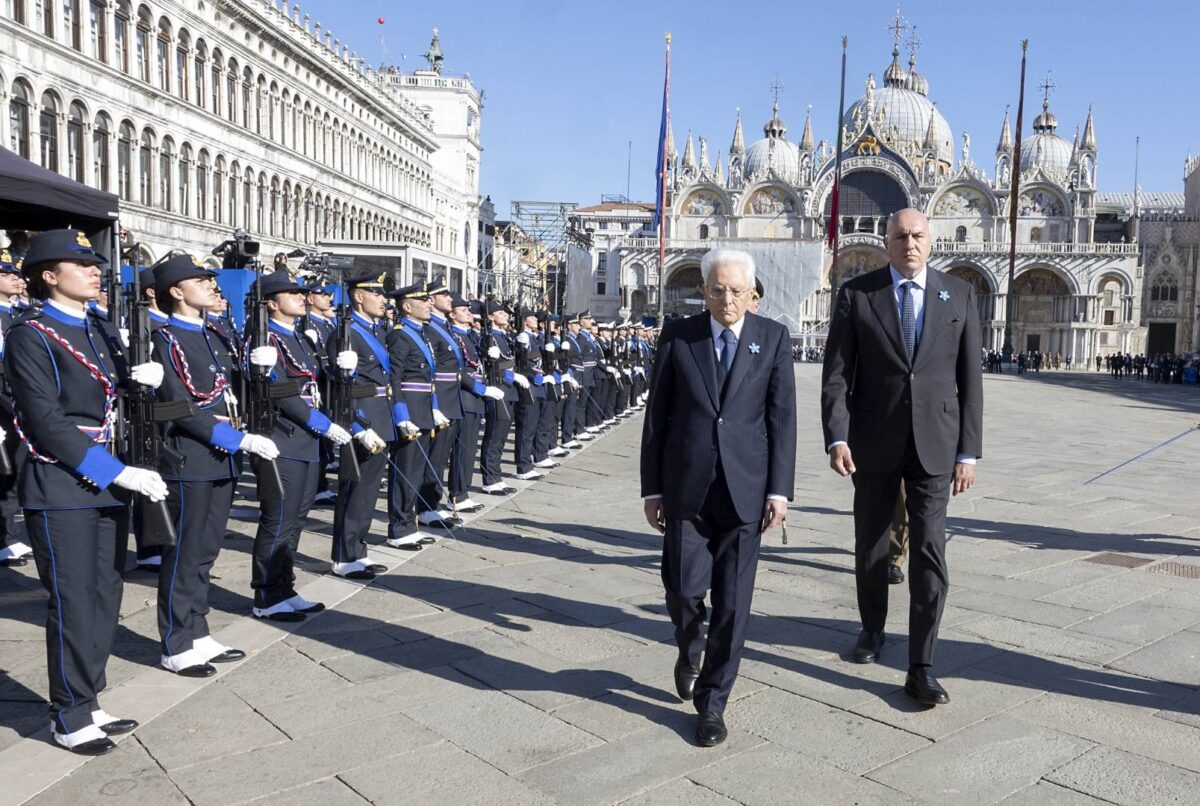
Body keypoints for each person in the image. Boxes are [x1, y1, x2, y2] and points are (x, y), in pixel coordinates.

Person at [7, 229, 167, 754]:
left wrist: (144, 379)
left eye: (94, 263)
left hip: (106, 476)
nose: (95, 270)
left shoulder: (100, 327)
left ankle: (90, 698)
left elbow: (110, 394)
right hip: (61, 481)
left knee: (105, 594)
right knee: (74, 599)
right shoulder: (31, 333)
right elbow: (45, 420)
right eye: (79, 264)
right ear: (48, 276)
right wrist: (115, 472)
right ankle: (69, 712)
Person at [821, 208, 983, 707]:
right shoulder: (857, 294)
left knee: (930, 550)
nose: (909, 244)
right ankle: (871, 629)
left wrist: (969, 452)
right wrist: (837, 437)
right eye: (899, 236)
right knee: (871, 544)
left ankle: (923, 663)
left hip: (935, 444)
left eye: (917, 236)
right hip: (872, 441)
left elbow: (969, 380)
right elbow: (837, 374)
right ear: (886, 241)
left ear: (931, 241)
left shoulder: (958, 293)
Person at [641, 247, 796, 747]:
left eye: (736, 290)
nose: (727, 299)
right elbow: (657, 417)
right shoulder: (680, 336)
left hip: (746, 490)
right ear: (703, 291)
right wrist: (652, 488)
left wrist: (779, 490)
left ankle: (713, 704)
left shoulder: (771, 338)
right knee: (683, 590)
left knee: (734, 604)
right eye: (717, 289)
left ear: (752, 294)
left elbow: (782, 420)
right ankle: (690, 646)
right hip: (687, 486)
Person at [151, 254, 281, 677]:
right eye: (200, 280)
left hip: (220, 459)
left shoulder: (214, 334)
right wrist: (236, 438)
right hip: (190, 458)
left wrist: (258, 371)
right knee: (185, 553)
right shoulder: (164, 339)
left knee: (207, 551)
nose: (211, 285)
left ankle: (198, 629)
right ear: (176, 291)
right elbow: (179, 406)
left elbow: (230, 390)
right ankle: (176, 640)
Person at [250, 270, 352, 621]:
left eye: (300, 292)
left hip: (306, 441)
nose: (301, 297)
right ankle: (266, 594)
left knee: (295, 521)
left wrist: (342, 372)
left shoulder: (300, 339)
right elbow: (282, 394)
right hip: (283, 439)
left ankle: (284, 587)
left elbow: (314, 385)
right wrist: (324, 426)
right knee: (278, 520)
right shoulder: (265, 341)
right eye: (291, 292)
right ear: (271, 303)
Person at [325, 272, 399, 576]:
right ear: (358, 296)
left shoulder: (377, 331)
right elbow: (339, 388)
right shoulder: (346, 333)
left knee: (369, 488)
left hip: (381, 413)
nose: (383, 300)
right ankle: (345, 555)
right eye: (376, 294)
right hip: (362, 417)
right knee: (354, 488)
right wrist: (357, 426)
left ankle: (358, 549)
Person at [385, 281, 450, 546]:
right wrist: (401, 414)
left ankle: (409, 523)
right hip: (410, 409)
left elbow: (428, 378)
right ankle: (399, 528)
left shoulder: (420, 333)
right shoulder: (400, 335)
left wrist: (433, 407)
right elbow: (395, 379)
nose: (428, 304)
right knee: (405, 471)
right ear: (407, 307)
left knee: (416, 470)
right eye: (423, 301)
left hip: (423, 407)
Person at [447, 296, 503, 512]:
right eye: (463, 310)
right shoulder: (454, 335)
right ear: (452, 314)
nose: (469, 313)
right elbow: (460, 369)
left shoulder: (471, 335)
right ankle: (458, 495)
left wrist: (489, 355)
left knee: (469, 448)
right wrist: (479, 388)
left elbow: (479, 363)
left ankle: (463, 492)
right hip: (465, 395)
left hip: (475, 398)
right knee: (462, 450)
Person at [0, 248, 33, 567]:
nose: (15, 278)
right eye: (6, 273)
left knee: (15, 471)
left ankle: (8, 536)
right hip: (3, 406)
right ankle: (4, 538)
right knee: (4, 472)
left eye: (15, 273)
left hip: (17, 403)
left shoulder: (17, 315)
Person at [479, 302, 522, 495]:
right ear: (490, 317)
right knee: (495, 434)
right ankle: (490, 478)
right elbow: (490, 367)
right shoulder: (487, 338)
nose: (505, 315)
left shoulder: (503, 336)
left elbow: (510, 360)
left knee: (502, 433)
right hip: (497, 387)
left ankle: (496, 476)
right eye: (500, 313)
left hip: (508, 389)